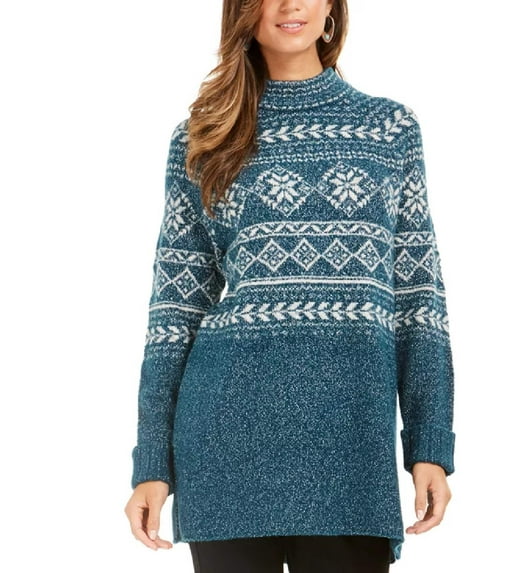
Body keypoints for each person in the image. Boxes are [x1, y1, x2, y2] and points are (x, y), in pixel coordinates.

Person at [124, 0, 456, 571]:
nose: (289, 4)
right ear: (243, 11)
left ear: (331, 9)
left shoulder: (388, 130)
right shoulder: (202, 137)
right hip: (225, 441)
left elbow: (418, 297)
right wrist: (152, 461)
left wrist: (430, 444)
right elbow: (174, 309)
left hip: (352, 444)